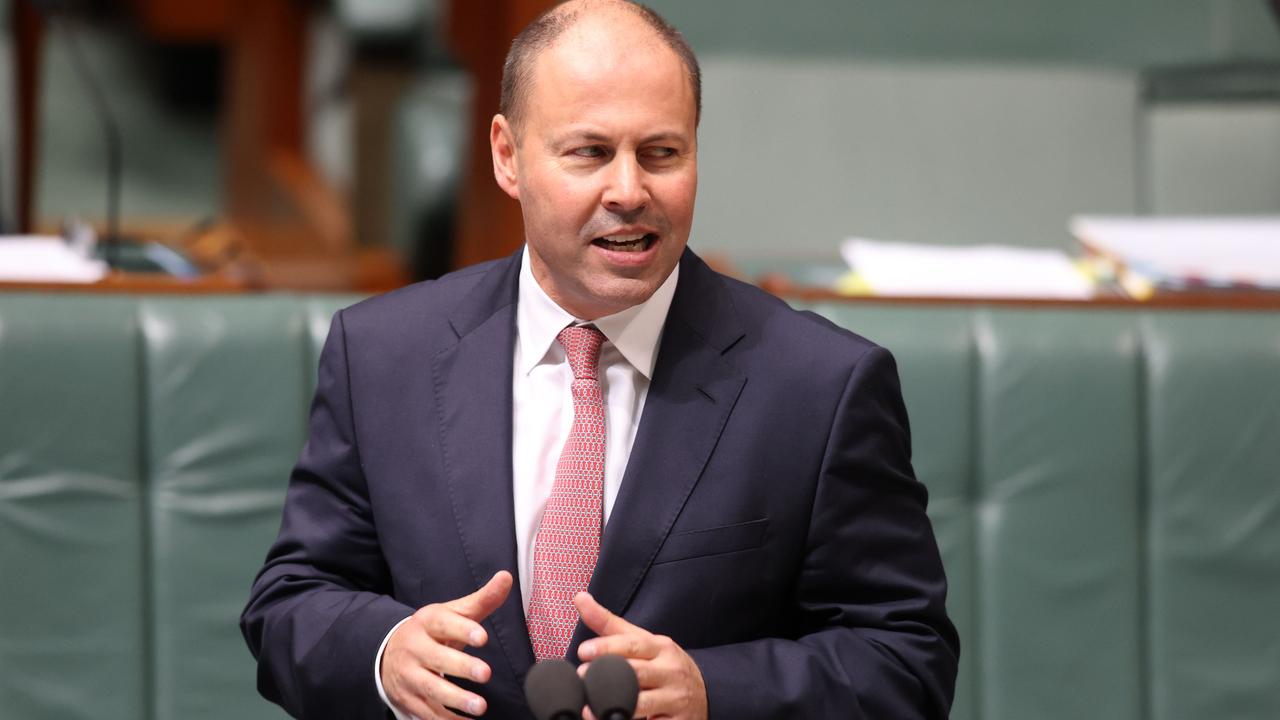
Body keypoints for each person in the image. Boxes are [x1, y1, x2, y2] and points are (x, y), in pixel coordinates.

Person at [241, 1, 959, 718]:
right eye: (589, 152)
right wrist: (386, 651)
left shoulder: (820, 387)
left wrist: (716, 694)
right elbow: (290, 604)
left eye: (661, 153)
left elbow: (905, 658)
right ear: (506, 155)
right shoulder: (382, 355)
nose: (629, 191)